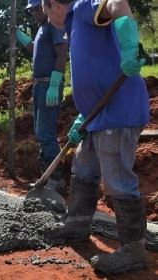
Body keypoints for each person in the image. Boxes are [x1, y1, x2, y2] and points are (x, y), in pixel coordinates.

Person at [42, 0, 149, 275]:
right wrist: (83, 115)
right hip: (96, 117)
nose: (46, 18)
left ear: (53, 3)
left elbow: (118, 3)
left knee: (117, 181)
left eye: (44, 12)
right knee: (83, 169)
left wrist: (129, 46)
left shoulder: (82, 8)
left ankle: (134, 250)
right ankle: (77, 224)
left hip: (118, 113)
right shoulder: (74, 25)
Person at [16, 0, 68, 194]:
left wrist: (55, 84)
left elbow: (62, 52)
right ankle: (46, 177)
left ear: (47, 7)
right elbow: (35, 51)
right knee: (40, 132)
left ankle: (57, 180)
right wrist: (20, 36)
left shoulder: (54, 25)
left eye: (37, 9)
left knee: (46, 133)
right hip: (40, 85)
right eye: (32, 11)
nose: (34, 13)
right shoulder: (41, 29)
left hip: (49, 83)